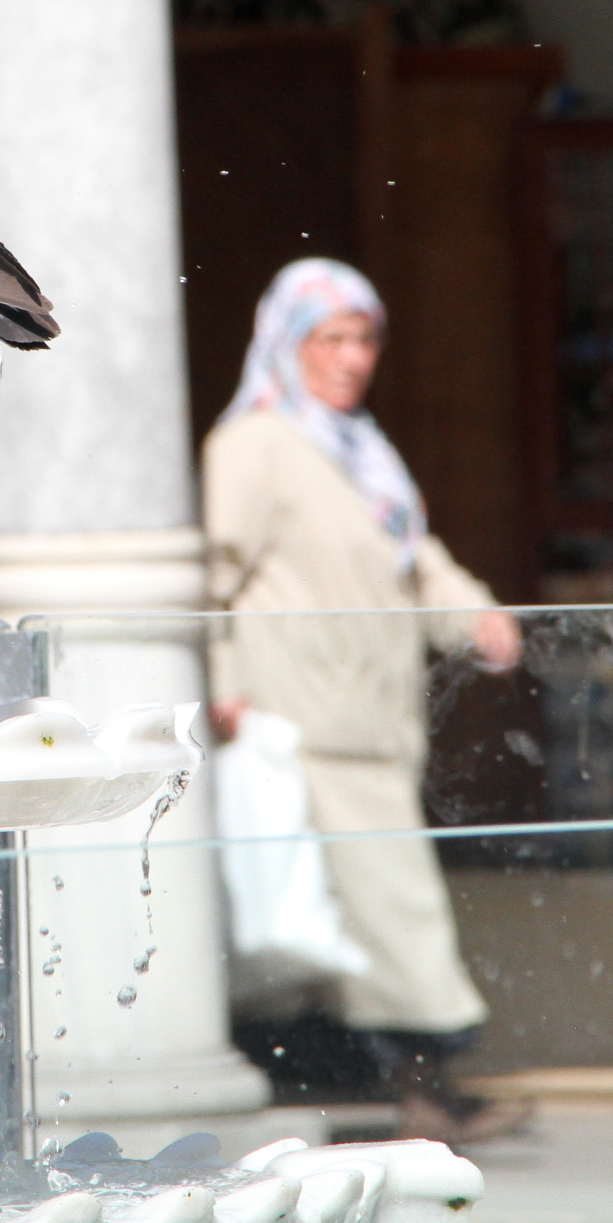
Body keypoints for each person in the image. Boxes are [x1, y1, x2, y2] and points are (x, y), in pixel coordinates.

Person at [203, 258, 530, 1144]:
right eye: (331, 340)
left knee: (374, 912)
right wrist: (226, 689)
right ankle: (429, 1088)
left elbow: (414, 561)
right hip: (302, 722)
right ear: (288, 343)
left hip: (374, 723)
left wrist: (479, 619)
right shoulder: (257, 446)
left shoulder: (358, 449)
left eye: (364, 340)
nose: (352, 359)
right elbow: (214, 580)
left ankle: (418, 1088)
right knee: (393, 912)